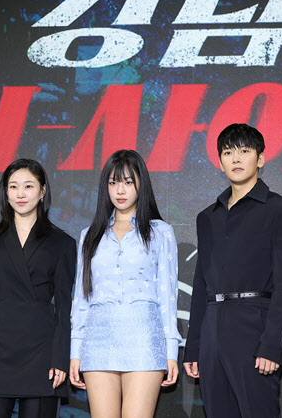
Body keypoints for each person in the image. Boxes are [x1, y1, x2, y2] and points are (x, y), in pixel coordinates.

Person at [183, 123, 282, 418]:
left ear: (260, 159)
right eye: (228, 152)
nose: (235, 158)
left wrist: (272, 344)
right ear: (220, 161)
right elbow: (200, 284)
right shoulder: (207, 217)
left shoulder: (280, 209)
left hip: (254, 327)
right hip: (211, 330)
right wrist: (194, 347)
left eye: (244, 151)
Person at [69, 150, 182, 418]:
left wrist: (171, 350)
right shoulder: (89, 235)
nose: (120, 190)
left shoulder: (160, 232)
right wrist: (75, 350)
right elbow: (82, 298)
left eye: (128, 182)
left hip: (144, 338)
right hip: (98, 339)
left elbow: (168, 296)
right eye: (113, 182)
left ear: (141, 184)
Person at [0, 159, 76, 418]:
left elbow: (64, 307)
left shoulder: (62, 243)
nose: (20, 194)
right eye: (13, 186)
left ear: (42, 191)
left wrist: (60, 358)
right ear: (5, 192)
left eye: (28, 186)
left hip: (43, 352)